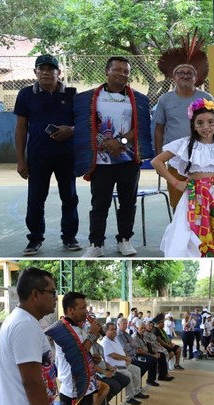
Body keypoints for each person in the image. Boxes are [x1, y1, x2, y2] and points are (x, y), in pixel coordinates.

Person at [74, 56, 152, 257]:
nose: (122, 74)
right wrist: (105, 143)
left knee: (128, 202)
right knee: (100, 204)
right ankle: (96, 244)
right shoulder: (90, 98)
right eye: (117, 70)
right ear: (107, 72)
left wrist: (121, 143)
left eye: (125, 71)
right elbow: (86, 125)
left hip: (128, 161)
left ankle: (124, 240)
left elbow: (140, 127)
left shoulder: (139, 99)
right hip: (101, 161)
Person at [151, 98, 214, 257]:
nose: (206, 127)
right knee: (192, 230)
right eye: (200, 123)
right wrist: (175, 182)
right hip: (195, 195)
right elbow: (157, 161)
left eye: (210, 122)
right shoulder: (185, 144)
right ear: (193, 125)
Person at [14, 54, 80, 255]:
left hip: (66, 155)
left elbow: (84, 123)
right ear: (35, 72)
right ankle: (35, 239)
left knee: (69, 197)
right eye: (41, 69)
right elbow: (21, 129)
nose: (46, 73)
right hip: (38, 156)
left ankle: (69, 237)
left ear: (58, 72)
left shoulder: (71, 94)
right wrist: (20, 161)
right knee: (35, 198)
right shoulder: (25, 95)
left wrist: (71, 130)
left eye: (50, 69)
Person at [153, 63, 214, 210]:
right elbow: (159, 129)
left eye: (189, 73)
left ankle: (202, 232)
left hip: (202, 160)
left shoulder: (206, 98)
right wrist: (159, 155)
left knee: (204, 203)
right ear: (174, 77)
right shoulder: (165, 99)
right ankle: (179, 232)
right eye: (181, 73)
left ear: (196, 78)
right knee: (179, 204)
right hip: (175, 160)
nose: (185, 76)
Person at [0, 267, 56, 405]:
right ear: (35, 294)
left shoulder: (21, 320)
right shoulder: (25, 325)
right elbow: (32, 383)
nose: (56, 298)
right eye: (52, 292)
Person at [45, 292, 102, 405]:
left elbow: (83, 352)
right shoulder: (62, 329)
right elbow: (78, 355)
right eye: (83, 308)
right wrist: (92, 335)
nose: (86, 311)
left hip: (87, 388)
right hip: (73, 392)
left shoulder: (79, 327)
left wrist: (91, 359)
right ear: (71, 310)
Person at [102, 322, 147, 405]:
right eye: (112, 329)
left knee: (137, 369)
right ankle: (129, 397)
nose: (115, 331)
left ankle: (136, 392)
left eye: (115, 329)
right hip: (115, 367)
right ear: (106, 331)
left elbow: (123, 350)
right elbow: (113, 355)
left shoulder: (115, 339)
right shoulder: (105, 342)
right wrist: (125, 358)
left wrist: (127, 358)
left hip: (124, 363)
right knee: (128, 374)